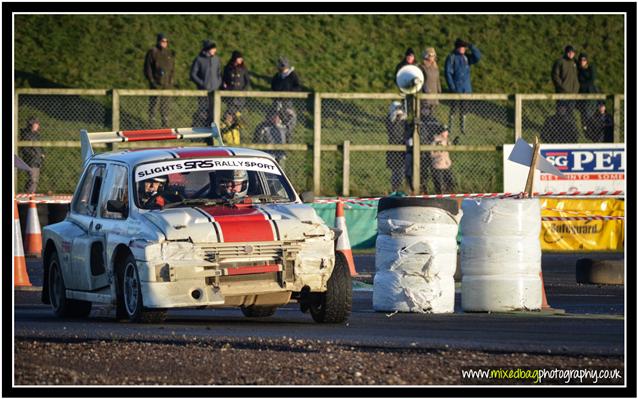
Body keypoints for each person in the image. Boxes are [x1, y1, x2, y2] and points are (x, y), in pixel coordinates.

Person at [444, 38, 481, 135]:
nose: (463, 48)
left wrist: (471, 46)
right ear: (457, 48)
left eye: (464, 47)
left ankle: (462, 129)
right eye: (461, 47)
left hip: (466, 89)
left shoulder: (467, 58)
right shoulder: (451, 58)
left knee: (464, 110)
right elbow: (447, 73)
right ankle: (450, 127)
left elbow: (478, 57)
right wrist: (452, 87)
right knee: (453, 109)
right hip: (456, 89)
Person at [144, 33, 175, 127]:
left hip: (167, 84)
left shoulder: (169, 53)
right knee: (153, 103)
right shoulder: (153, 52)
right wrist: (152, 81)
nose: (164, 43)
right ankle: (151, 122)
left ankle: (165, 123)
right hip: (156, 83)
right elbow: (147, 68)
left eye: (166, 41)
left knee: (165, 104)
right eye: (162, 41)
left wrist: (171, 80)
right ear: (158, 41)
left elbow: (172, 68)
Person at [190, 40, 222, 127]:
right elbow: (193, 74)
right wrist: (202, 83)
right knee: (203, 112)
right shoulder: (199, 59)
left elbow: (219, 73)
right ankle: (200, 129)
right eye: (213, 48)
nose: (215, 50)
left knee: (214, 113)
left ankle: (213, 132)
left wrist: (218, 83)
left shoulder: (216, 59)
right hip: (203, 92)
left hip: (215, 92)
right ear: (208, 49)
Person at [271, 57, 301, 138]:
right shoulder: (277, 76)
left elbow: (297, 87)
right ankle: (277, 136)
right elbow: (273, 86)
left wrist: (289, 93)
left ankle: (288, 135)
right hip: (277, 101)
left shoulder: (292, 75)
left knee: (290, 118)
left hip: (287, 101)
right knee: (275, 118)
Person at [551, 44, 580, 127]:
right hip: (562, 94)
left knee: (570, 113)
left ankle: (569, 132)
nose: (571, 54)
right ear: (566, 52)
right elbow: (555, 76)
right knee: (561, 113)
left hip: (573, 94)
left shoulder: (575, 63)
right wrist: (562, 87)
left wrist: (577, 88)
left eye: (573, 52)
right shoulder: (560, 62)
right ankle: (559, 131)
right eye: (569, 52)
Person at [385, 101, 408, 192]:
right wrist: (397, 117)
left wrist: (402, 116)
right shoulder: (390, 119)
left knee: (402, 171)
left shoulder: (404, 121)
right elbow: (392, 130)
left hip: (403, 147)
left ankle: (402, 189)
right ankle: (394, 189)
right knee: (395, 172)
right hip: (393, 148)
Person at [19, 117, 44, 193]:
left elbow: (40, 146)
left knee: (35, 180)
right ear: (31, 125)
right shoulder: (26, 135)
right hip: (31, 160)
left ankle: (30, 194)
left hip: (37, 160)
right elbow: (25, 149)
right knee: (33, 179)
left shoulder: (36, 135)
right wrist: (35, 155)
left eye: (37, 124)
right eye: (36, 124)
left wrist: (42, 153)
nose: (37, 125)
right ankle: (29, 195)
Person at [429, 125, 456, 194]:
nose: (447, 133)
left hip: (446, 165)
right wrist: (438, 154)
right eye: (446, 132)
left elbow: (449, 148)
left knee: (451, 182)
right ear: (441, 132)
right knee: (440, 185)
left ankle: (447, 193)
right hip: (438, 166)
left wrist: (453, 144)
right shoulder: (437, 141)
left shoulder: (445, 140)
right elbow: (432, 154)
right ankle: (441, 195)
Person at [222, 50, 251, 114]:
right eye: (239, 58)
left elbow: (247, 81)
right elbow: (224, 79)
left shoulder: (244, 68)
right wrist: (225, 87)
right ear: (235, 58)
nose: (241, 59)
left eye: (241, 58)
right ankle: (227, 122)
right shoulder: (227, 68)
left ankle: (237, 122)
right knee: (229, 113)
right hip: (231, 95)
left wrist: (243, 91)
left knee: (238, 115)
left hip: (240, 96)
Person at [418, 47, 442, 118]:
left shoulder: (435, 67)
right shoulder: (422, 67)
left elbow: (437, 80)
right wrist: (425, 90)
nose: (432, 57)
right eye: (431, 55)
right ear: (426, 56)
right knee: (425, 116)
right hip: (425, 96)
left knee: (433, 116)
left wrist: (439, 90)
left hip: (435, 95)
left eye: (434, 55)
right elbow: (420, 81)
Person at [576, 52, 599, 128]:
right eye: (581, 60)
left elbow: (592, 80)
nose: (582, 61)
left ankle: (592, 127)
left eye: (584, 60)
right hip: (582, 95)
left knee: (589, 113)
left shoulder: (591, 68)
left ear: (587, 61)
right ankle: (586, 128)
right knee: (584, 113)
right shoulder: (579, 69)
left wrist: (583, 85)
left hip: (591, 94)